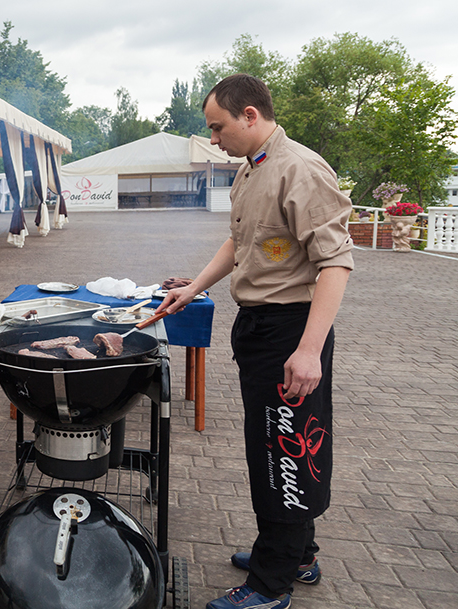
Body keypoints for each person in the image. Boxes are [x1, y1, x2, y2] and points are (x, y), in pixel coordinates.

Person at [157, 74, 353, 609]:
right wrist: (192, 289)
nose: (215, 138)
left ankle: (271, 585)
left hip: (291, 331)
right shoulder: (253, 168)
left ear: (250, 115)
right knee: (271, 445)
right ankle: (297, 552)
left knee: (282, 453)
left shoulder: (301, 169)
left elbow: (335, 263)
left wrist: (309, 350)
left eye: (218, 127)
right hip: (259, 327)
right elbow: (238, 242)